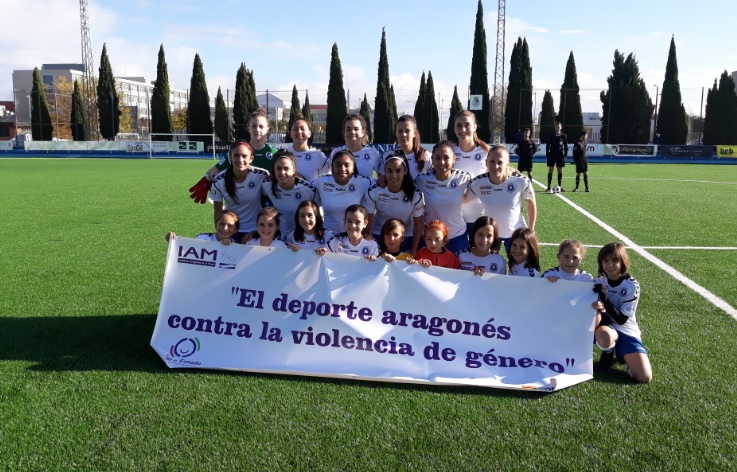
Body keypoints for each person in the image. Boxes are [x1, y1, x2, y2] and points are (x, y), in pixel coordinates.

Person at [592, 243, 652, 383]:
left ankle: (627, 359)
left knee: (644, 377)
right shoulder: (598, 281)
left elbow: (621, 320)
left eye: (614, 260)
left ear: (623, 261)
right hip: (607, 328)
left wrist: (605, 300)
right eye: (605, 260)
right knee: (604, 335)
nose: (609, 265)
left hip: (626, 329)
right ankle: (608, 352)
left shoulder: (631, 285)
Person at [190, 110, 278, 202]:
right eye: (253, 126)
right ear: (248, 128)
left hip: (267, 207)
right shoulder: (238, 151)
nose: (257, 129)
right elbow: (214, 170)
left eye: (261, 126)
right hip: (241, 203)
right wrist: (207, 180)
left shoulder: (275, 153)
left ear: (268, 128)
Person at [467, 145, 536, 254]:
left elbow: (531, 203)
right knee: (490, 268)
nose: (495, 166)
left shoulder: (521, 181)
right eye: (492, 162)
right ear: (486, 163)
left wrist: (530, 229)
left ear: (507, 164)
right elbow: (464, 199)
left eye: (500, 162)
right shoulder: (477, 183)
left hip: (515, 233)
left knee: (519, 266)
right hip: (491, 235)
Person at [415, 141, 473, 253]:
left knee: (458, 270)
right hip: (429, 238)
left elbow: (485, 182)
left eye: (446, 158)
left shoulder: (464, 177)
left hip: (456, 237)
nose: (442, 162)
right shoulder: (422, 180)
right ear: (432, 159)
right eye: (437, 158)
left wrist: (509, 169)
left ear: (454, 159)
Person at [363, 150, 424, 255]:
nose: (393, 175)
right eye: (389, 171)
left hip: (405, 236)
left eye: (398, 170)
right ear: (384, 171)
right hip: (379, 234)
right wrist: (370, 243)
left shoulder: (416, 193)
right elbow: (369, 220)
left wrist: (413, 252)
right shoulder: (374, 191)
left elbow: (418, 224)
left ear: (405, 171)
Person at [209, 142, 269, 239]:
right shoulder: (219, 180)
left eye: (244, 156)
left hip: (255, 230)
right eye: (236, 155)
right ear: (230, 157)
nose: (240, 160)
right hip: (230, 230)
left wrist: (258, 231)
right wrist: (221, 235)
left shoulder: (262, 175)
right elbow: (218, 212)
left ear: (251, 159)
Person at [312, 150, 373, 234]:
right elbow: (303, 188)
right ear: (332, 167)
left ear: (353, 168)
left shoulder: (364, 182)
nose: (342, 169)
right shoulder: (321, 182)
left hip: (353, 237)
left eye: (347, 165)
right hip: (328, 237)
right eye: (338, 165)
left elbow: (384, 182)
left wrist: (383, 180)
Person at [452, 110, 491, 236]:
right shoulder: (449, 152)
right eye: (459, 125)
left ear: (475, 126)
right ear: (454, 128)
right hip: (454, 219)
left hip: (480, 217)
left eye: (467, 125)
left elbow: (500, 178)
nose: (463, 129)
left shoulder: (486, 152)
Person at [261, 150, 316, 234]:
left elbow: (317, 214)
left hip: (301, 236)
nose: (282, 172)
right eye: (278, 168)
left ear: (294, 170)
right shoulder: (267, 186)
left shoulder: (308, 189)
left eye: (286, 168)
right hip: (279, 236)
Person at [379, 115, 431, 181]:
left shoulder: (427, 157)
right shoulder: (387, 156)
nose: (403, 134)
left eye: (407, 131)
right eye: (400, 131)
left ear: (414, 133)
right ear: (396, 133)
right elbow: (382, 182)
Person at [329, 114, 381, 178]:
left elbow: (382, 177)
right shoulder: (336, 152)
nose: (352, 132)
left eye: (356, 129)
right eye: (348, 129)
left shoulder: (373, 153)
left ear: (362, 132)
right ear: (344, 132)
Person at [286, 115, 329, 182]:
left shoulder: (318, 155)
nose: (299, 131)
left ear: (309, 133)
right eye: (295, 129)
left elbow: (328, 178)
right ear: (291, 134)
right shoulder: (284, 153)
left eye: (302, 129)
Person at [165, 209, 240, 245]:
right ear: (216, 223)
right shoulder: (202, 238)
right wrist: (172, 241)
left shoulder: (236, 245)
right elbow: (184, 252)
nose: (225, 228)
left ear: (235, 229)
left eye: (230, 225)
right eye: (221, 224)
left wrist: (229, 247)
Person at [545, 122, 568, 192]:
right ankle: (549, 187)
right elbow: (547, 145)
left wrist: (565, 155)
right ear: (555, 127)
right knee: (550, 170)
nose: (557, 128)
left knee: (560, 170)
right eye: (556, 127)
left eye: (558, 127)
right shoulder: (551, 135)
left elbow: (566, 146)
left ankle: (560, 186)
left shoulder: (564, 136)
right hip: (552, 154)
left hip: (560, 155)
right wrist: (547, 154)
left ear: (561, 127)